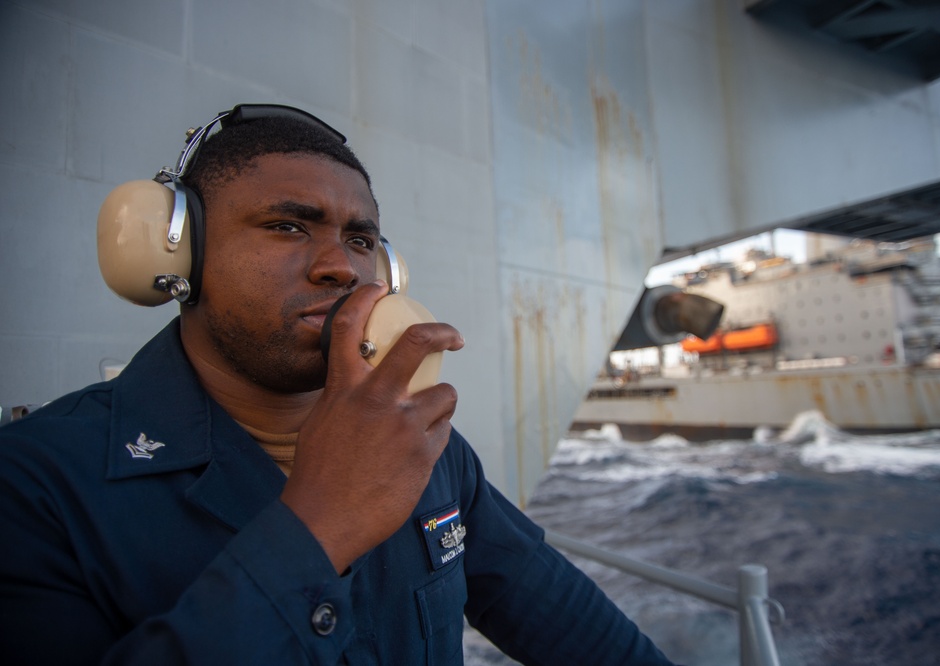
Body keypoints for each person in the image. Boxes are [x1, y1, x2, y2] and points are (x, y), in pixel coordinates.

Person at [0, 104, 675, 664]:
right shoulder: (32, 488)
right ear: (179, 253)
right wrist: (320, 525)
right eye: (288, 225)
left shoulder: (428, 446)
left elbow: (570, 621)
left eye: (359, 241)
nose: (338, 268)